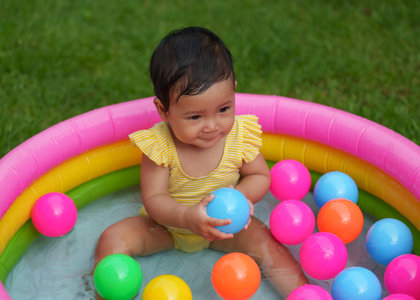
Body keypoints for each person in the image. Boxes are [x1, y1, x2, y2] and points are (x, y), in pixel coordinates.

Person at [94, 26, 308, 297]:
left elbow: (259, 176)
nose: (212, 126)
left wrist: (238, 198)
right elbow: (154, 199)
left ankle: (305, 295)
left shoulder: (240, 135)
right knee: (112, 239)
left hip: (227, 229)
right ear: (164, 111)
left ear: (234, 93)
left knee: (271, 246)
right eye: (195, 117)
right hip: (168, 228)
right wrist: (187, 218)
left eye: (223, 109)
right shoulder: (160, 146)